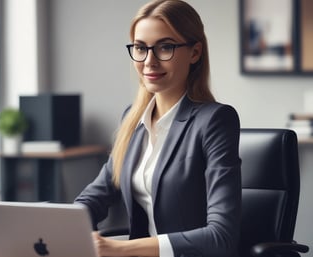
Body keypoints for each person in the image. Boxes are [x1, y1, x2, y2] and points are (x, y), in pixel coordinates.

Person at [74, 0, 242, 256]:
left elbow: (221, 236)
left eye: (165, 47)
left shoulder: (215, 120)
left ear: (195, 52)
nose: (149, 61)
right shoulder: (132, 119)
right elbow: (94, 197)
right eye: (141, 48)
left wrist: (123, 249)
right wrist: (58, 226)